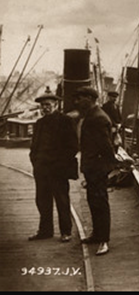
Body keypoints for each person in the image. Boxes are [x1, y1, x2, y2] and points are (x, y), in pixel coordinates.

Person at [28, 88, 79, 242]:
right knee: (42, 201)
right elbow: (35, 147)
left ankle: (66, 232)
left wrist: (60, 165)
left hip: (58, 170)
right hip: (41, 169)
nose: (45, 107)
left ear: (56, 104)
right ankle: (45, 231)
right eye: (42, 105)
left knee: (62, 201)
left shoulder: (65, 121)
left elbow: (73, 147)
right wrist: (35, 162)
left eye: (48, 104)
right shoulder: (39, 123)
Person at [74, 86, 118, 256]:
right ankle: (97, 234)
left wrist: (110, 166)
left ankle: (104, 240)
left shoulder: (97, 118)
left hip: (98, 168)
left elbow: (106, 147)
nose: (77, 102)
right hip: (92, 167)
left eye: (80, 98)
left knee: (101, 203)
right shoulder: (91, 116)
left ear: (90, 99)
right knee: (93, 201)